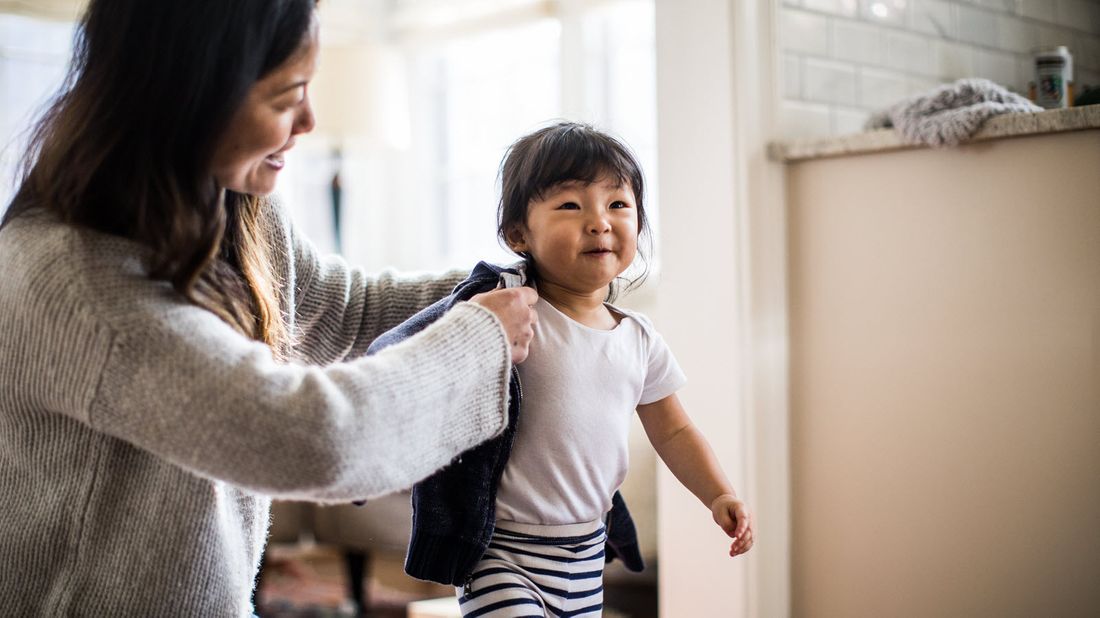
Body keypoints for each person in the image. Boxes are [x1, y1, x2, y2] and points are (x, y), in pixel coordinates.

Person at [0, 1, 537, 616]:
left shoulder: (233, 208)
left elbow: (346, 309)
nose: (309, 119)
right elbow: (311, 439)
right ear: (192, 97)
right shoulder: (72, 283)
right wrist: (480, 339)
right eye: (287, 96)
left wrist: (523, 282)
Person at [369, 122, 755, 617]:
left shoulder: (638, 338)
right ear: (517, 233)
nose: (599, 222)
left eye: (618, 205)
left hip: (585, 556)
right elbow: (422, 357)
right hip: (501, 553)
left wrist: (718, 492)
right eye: (571, 206)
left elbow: (675, 430)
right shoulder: (506, 312)